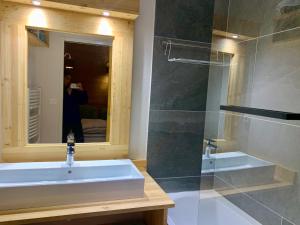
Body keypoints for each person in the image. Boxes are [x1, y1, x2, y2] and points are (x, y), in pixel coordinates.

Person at [62, 71, 88, 143]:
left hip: (75, 118)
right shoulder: (60, 90)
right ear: (63, 78)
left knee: (79, 138)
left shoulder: (75, 91)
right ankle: (65, 152)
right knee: (63, 139)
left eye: (69, 79)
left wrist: (82, 90)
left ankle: (81, 153)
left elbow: (84, 101)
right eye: (67, 78)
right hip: (64, 119)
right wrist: (68, 92)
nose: (68, 81)